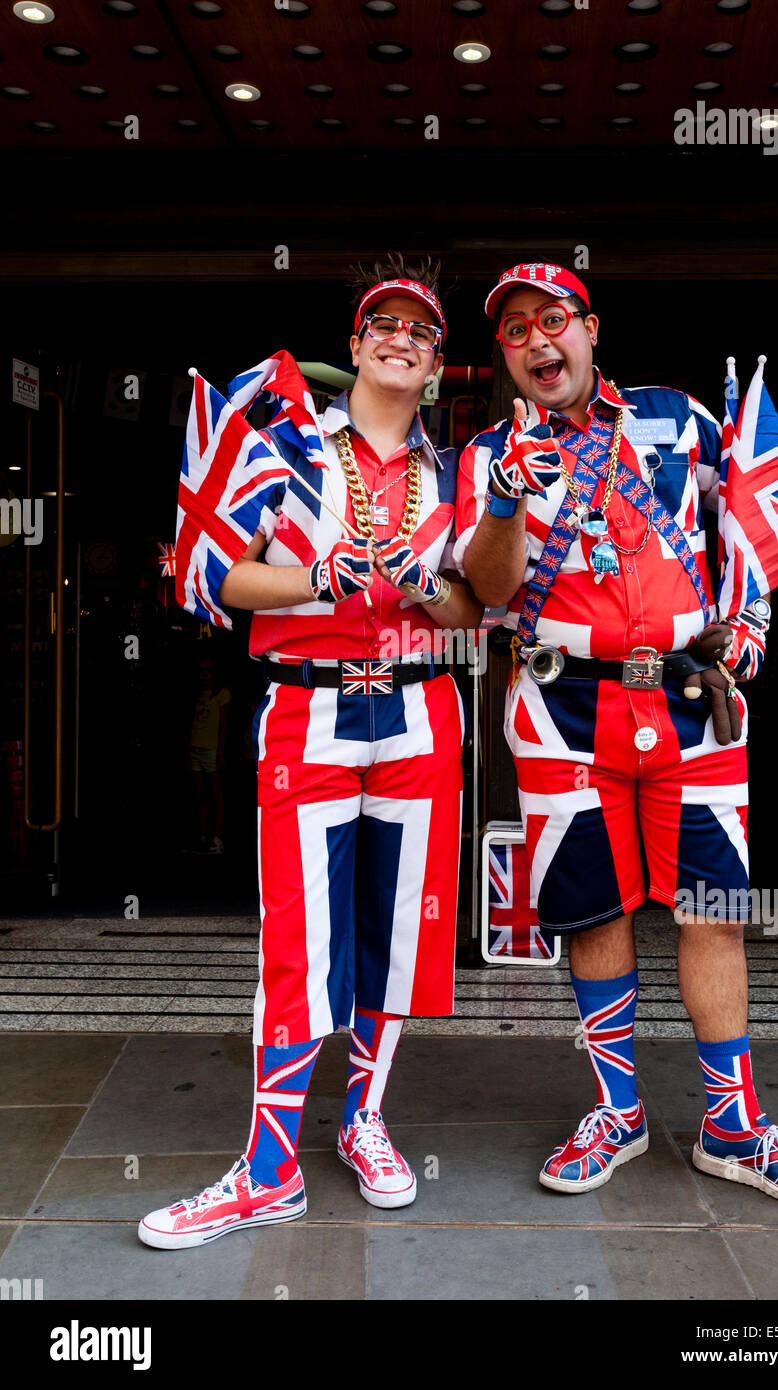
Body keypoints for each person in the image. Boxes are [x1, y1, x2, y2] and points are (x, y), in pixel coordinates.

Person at [454, 262, 778, 1211]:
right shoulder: (482, 457)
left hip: (689, 696)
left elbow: (745, 528)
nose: (538, 344)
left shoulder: (679, 418)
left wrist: (750, 619)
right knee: (593, 911)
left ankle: (734, 1127)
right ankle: (619, 1113)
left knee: (714, 908)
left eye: (553, 321)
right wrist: (508, 498)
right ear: (506, 356)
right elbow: (492, 590)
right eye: (516, 333)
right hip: (561, 708)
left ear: (590, 329)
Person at [139, 256, 482, 1248]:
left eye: (420, 331)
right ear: (356, 344)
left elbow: (477, 608)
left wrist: (431, 592)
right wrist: (317, 581)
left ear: (434, 362)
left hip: (421, 712)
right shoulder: (284, 450)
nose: (400, 339)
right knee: (296, 939)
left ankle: (364, 1121)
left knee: (393, 933)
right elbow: (210, 578)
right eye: (384, 323)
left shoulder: (456, 473)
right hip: (307, 711)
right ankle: (269, 1163)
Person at [186, 654, 230, 854]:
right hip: (196, 747)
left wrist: (221, 753)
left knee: (216, 793)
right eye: (201, 671)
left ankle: (217, 838)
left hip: (212, 750)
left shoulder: (222, 694)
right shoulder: (198, 694)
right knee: (200, 794)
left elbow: (224, 725)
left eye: (208, 671)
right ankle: (203, 836)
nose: (204, 676)